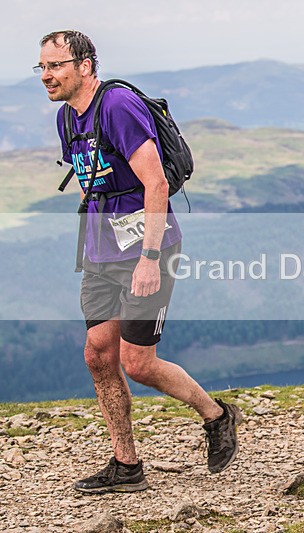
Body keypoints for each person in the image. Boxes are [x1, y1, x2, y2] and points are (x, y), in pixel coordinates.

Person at [37, 30, 242, 493]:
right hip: (99, 248)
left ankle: (217, 415)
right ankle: (126, 464)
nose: (47, 76)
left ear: (86, 65)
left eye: (56, 66)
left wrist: (149, 258)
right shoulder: (67, 118)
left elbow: (156, 184)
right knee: (97, 353)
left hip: (149, 247)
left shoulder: (117, 107)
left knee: (138, 362)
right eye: (43, 67)